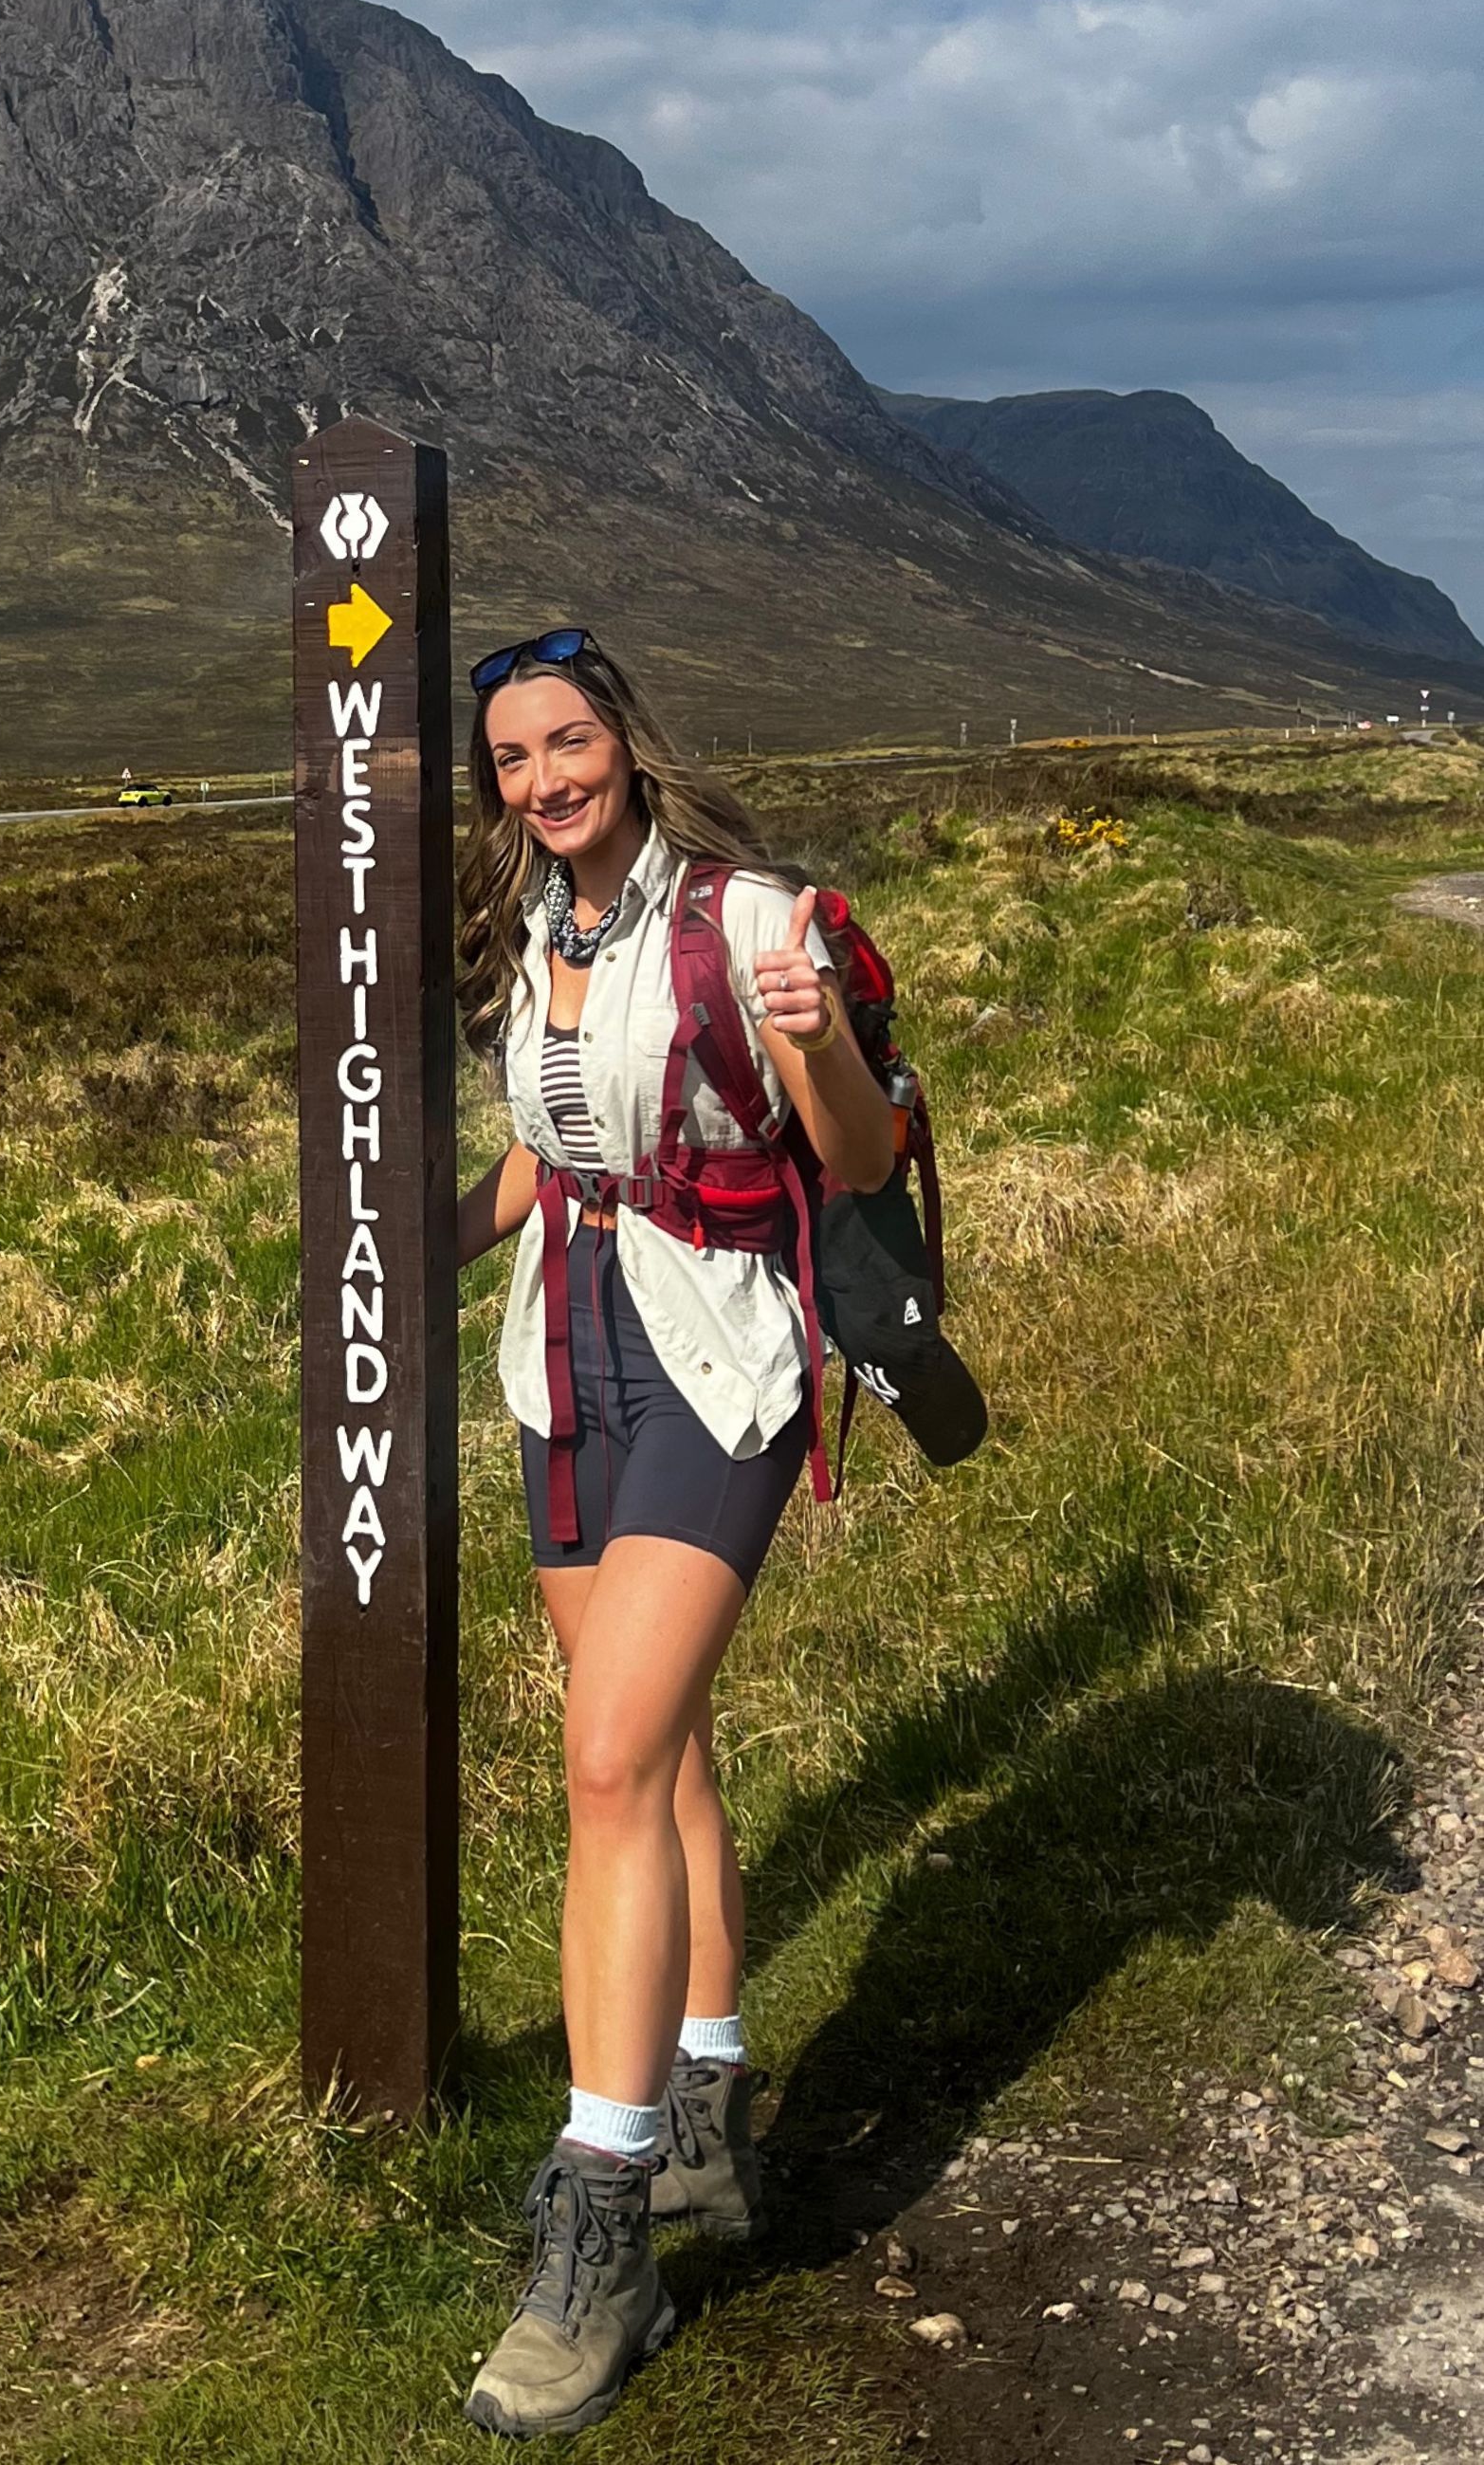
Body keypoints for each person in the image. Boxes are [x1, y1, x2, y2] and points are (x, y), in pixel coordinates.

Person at [452, 630, 896, 2442]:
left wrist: (818, 1044)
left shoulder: (748, 920)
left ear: (626, 744)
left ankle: (604, 2221)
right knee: (668, 1748)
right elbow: (555, 1154)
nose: (547, 779)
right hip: (568, 1346)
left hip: (721, 1351)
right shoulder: (538, 932)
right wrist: (402, 1238)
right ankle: (710, 2100)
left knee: (610, 1753)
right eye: (513, 759)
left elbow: (854, 1161)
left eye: (571, 743)